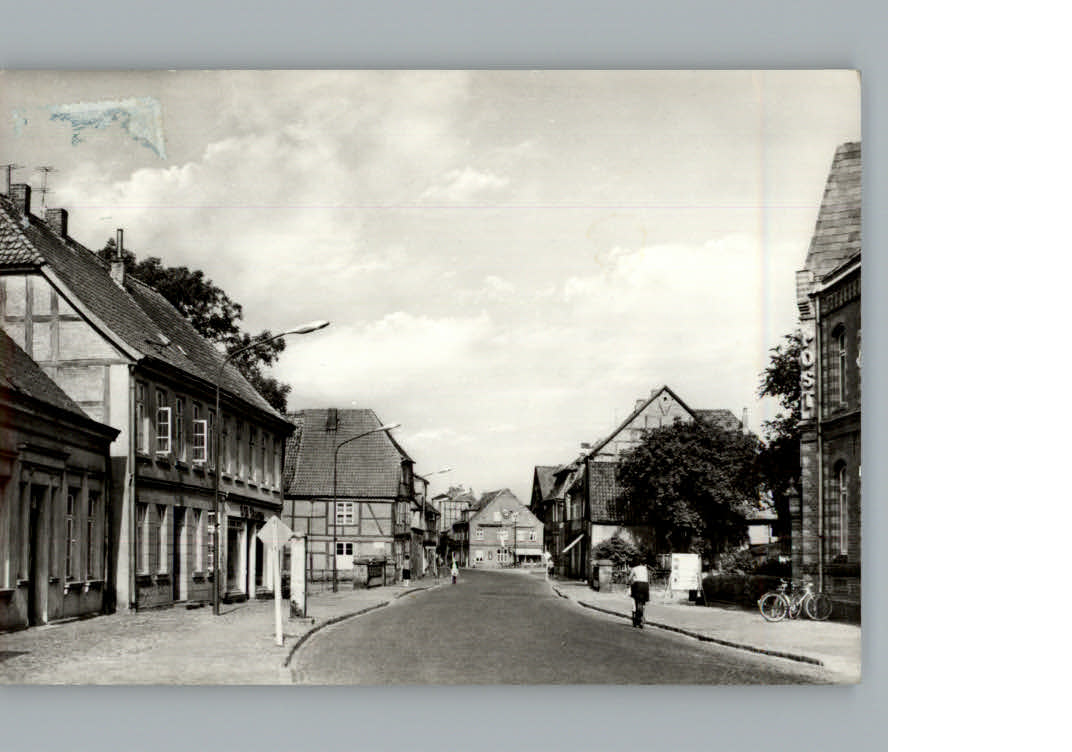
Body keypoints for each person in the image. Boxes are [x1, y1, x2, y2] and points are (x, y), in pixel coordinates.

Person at [627, 558, 649, 629]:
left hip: (638, 585)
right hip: (645, 585)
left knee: (636, 601)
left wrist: (628, 583)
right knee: (643, 602)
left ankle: (637, 619)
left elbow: (630, 578)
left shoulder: (634, 568)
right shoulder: (645, 569)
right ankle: (642, 616)